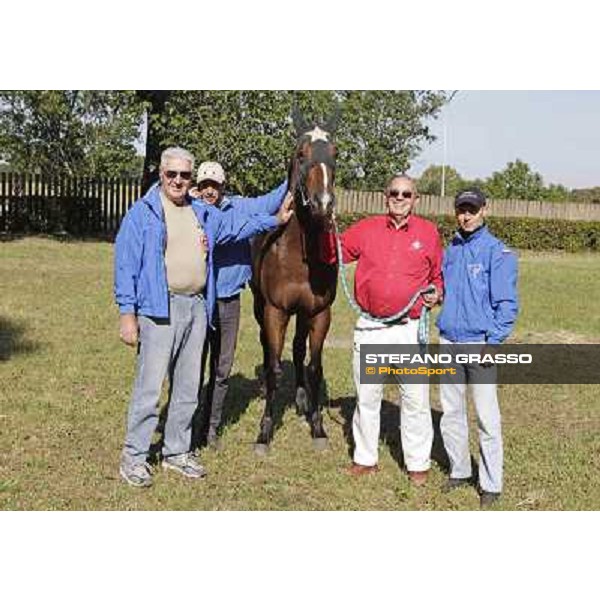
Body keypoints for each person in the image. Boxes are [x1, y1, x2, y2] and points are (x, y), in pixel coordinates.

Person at [114, 147, 293, 487]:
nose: (178, 181)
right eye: (172, 175)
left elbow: (239, 226)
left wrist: (276, 220)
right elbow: (125, 266)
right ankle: (134, 457)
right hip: (158, 308)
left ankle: (176, 452)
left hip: (198, 306)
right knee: (150, 388)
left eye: (185, 175)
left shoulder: (201, 212)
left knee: (187, 387)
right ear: (161, 175)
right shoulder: (143, 213)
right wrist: (127, 314)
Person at [322, 175, 443, 485]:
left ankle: (417, 464)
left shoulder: (428, 233)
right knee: (367, 397)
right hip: (372, 328)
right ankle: (365, 459)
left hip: (409, 330)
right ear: (384, 196)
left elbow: (437, 276)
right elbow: (332, 253)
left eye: (406, 194)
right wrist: (323, 223)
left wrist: (436, 293)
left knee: (415, 399)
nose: (399, 198)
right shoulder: (366, 228)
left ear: (416, 199)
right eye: (394, 192)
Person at [190, 162, 288, 450]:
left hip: (229, 300)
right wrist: (273, 222)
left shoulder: (239, 207)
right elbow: (230, 232)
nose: (210, 190)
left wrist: (294, 173)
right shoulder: (190, 210)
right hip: (197, 299)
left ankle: (211, 428)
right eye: (205, 184)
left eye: (215, 185)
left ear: (222, 186)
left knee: (222, 368)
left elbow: (270, 201)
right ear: (198, 185)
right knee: (192, 367)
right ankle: (190, 425)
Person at [436, 188, 519, 508]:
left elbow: (508, 305)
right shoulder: (452, 250)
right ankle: (459, 470)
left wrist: (493, 341)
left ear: (485, 210)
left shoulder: (497, 252)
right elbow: (443, 287)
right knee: (451, 412)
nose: (466, 216)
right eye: (461, 210)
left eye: (471, 209)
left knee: (486, 417)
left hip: (479, 343)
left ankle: (491, 482)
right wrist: (435, 294)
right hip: (448, 341)